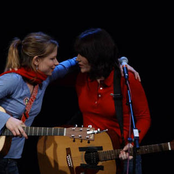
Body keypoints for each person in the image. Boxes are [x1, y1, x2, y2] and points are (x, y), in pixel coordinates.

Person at [0, 31, 140, 174]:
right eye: (52, 58)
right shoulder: (13, 79)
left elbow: (76, 61)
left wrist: (119, 62)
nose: (57, 62)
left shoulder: (44, 78)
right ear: (36, 60)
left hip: (9, 157)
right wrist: (7, 119)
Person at [73, 28, 151, 174]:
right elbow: (51, 72)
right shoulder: (82, 78)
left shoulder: (126, 80)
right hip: (91, 155)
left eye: (82, 54)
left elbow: (144, 117)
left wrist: (132, 143)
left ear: (96, 56)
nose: (77, 58)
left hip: (122, 154)